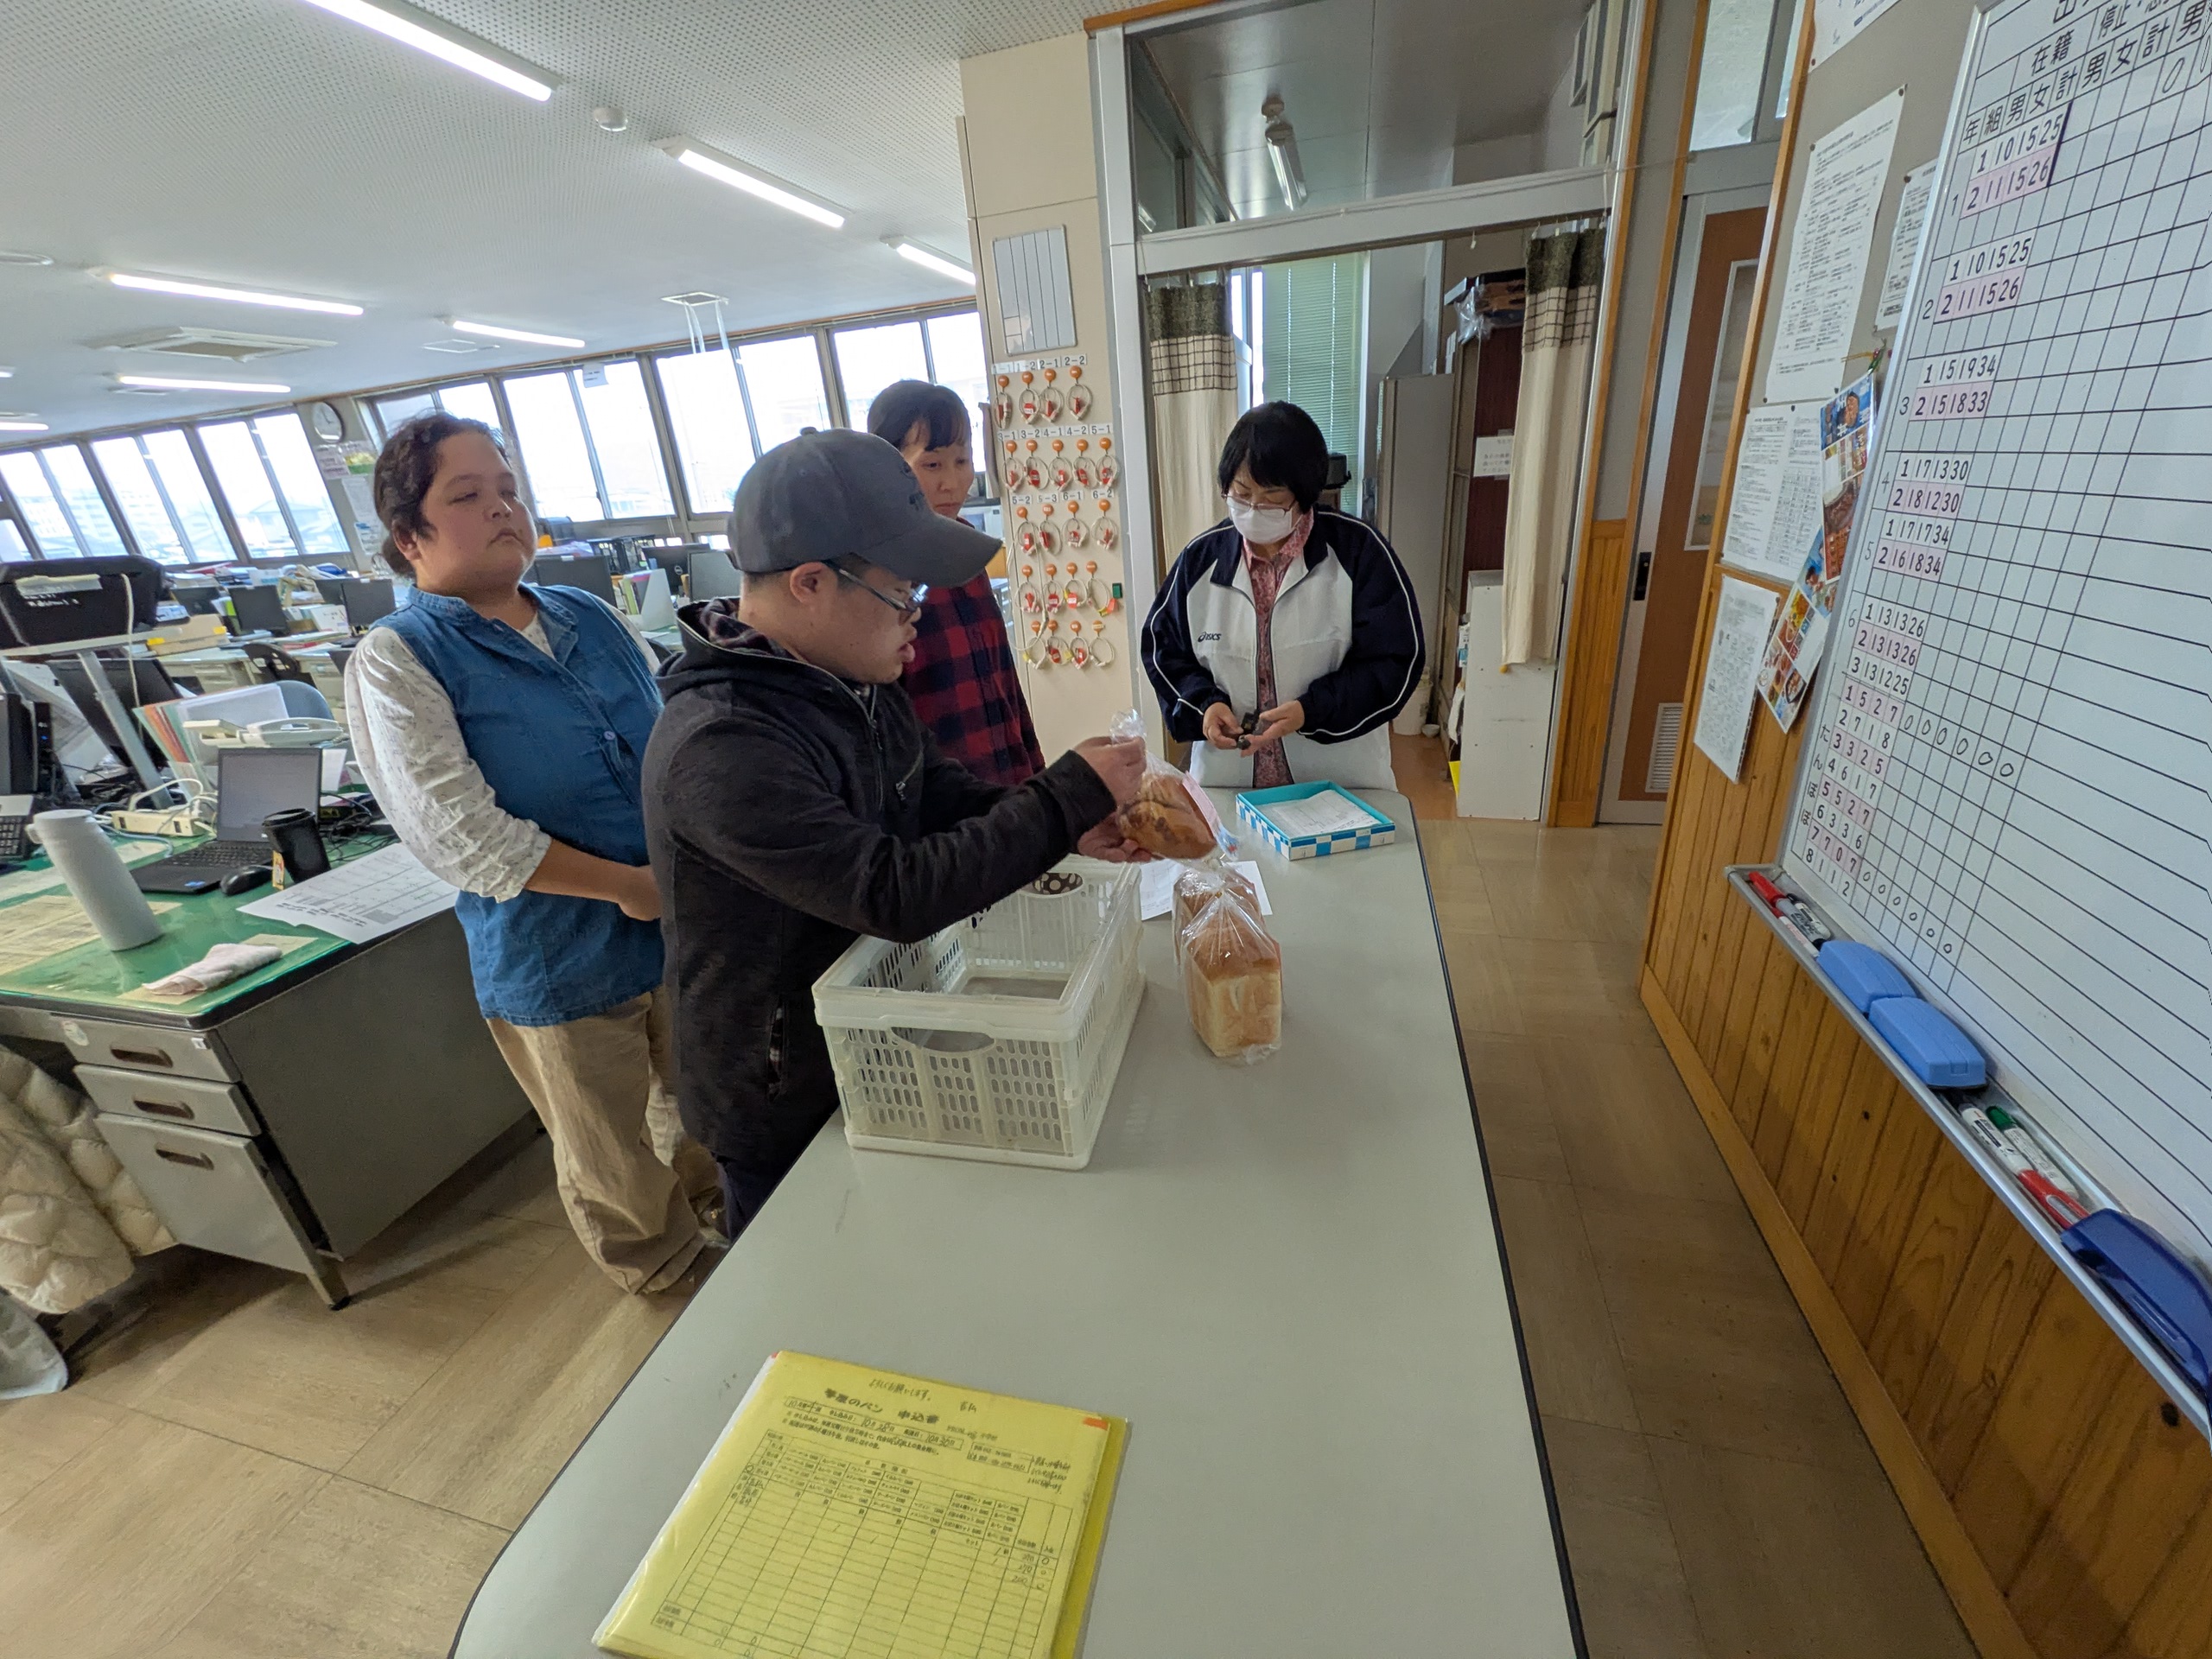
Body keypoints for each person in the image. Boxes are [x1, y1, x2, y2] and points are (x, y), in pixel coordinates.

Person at [644, 429, 1147, 1227]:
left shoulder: (849, 679)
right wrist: (1064, 798)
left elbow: (935, 792)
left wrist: (1063, 828)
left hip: (871, 1045)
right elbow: (892, 892)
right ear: (811, 583)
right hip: (779, 1093)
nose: (918, 616)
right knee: (808, 1270)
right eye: (902, 592)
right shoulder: (723, 742)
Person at [345, 412, 718, 1295]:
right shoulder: (399, 658)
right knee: (606, 1143)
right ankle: (662, 1274)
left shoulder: (587, 613)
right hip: (555, 949)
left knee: (703, 1099)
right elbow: (458, 831)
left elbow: (669, 737)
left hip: (675, 921)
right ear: (408, 536)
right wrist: (624, 886)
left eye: (508, 489)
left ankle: (720, 1218)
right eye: (468, 495)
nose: (502, 509)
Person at [1141, 400, 1424, 792]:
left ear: (1305, 494)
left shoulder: (1359, 552)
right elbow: (1163, 651)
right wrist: (1204, 705)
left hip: (1338, 784)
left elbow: (1394, 661)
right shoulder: (1200, 560)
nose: (1254, 508)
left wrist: (1312, 710)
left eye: (1272, 496)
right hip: (1229, 784)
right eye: (1242, 493)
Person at [866, 379, 1045, 785]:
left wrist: (1038, 781)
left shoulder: (966, 549)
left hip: (1007, 784)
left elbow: (1004, 682)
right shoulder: (877, 571)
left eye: (961, 461)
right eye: (932, 465)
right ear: (886, 467)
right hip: (939, 800)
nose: (952, 482)